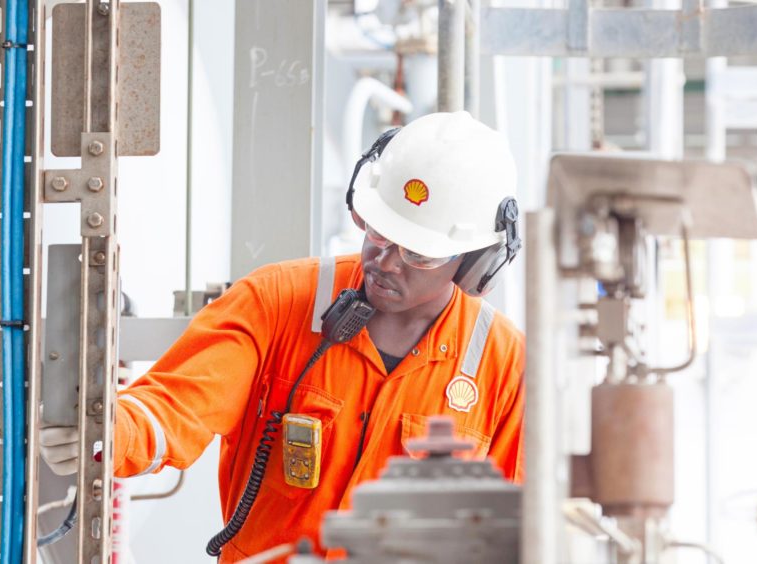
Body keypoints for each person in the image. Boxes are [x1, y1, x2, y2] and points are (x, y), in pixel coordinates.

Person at [39, 111, 525, 562]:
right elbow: (176, 406)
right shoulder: (277, 300)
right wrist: (107, 433)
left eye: (420, 254)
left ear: (477, 263)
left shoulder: (504, 367)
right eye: (378, 232)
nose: (385, 262)